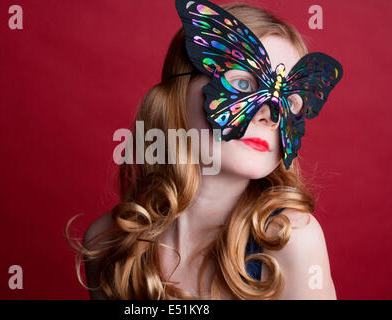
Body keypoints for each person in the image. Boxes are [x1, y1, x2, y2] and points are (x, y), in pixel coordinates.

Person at [66, 1, 336, 300]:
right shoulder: (107, 243)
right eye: (243, 84)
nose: (269, 116)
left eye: (290, 102)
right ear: (178, 95)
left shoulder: (290, 239)